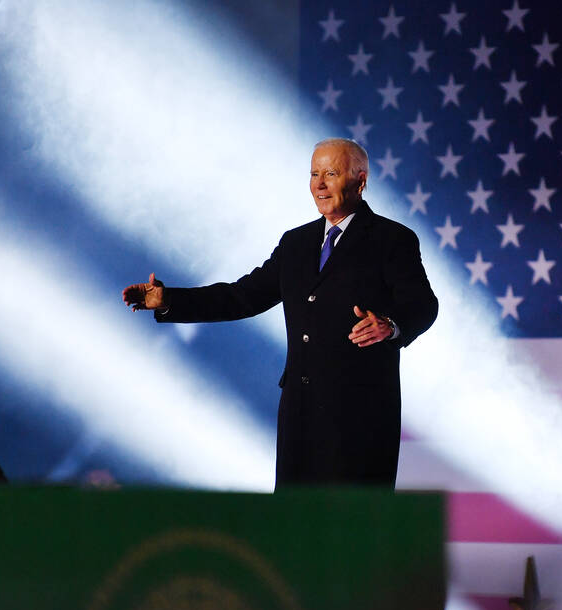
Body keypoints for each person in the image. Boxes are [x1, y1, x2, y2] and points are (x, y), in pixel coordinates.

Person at [122, 138, 438, 488]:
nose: (319, 184)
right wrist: (168, 300)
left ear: (360, 181)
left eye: (330, 173)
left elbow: (423, 305)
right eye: (314, 174)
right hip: (300, 415)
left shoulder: (392, 239)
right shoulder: (296, 243)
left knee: (352, 533)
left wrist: (391, 326)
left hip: (360, 417)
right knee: (294, 528)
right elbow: (242, 296)